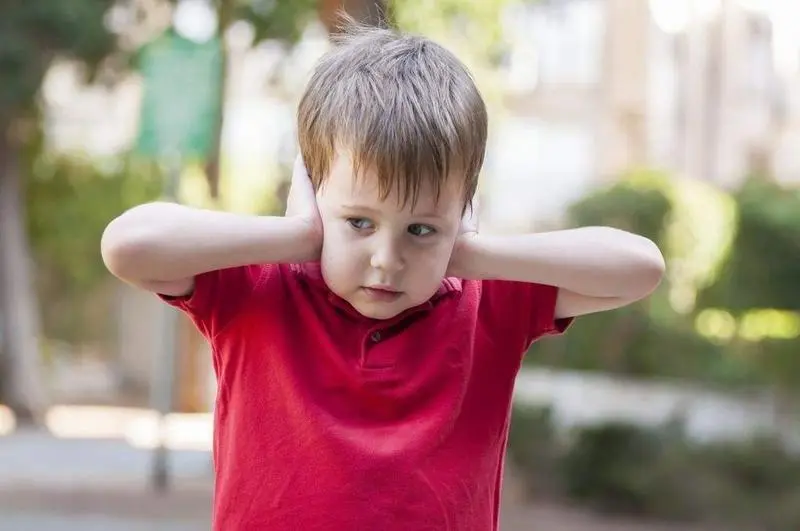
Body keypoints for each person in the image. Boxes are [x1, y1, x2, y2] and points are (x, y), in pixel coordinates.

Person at [101, 20, 664, 531]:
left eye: (420, 229)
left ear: (461, 218)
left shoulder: (488, 304)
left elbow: (639, 269)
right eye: (359, 222)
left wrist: (467, 255)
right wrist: (299, 235)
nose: (386, 259)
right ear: (316, 197)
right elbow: (129, 246)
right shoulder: (257, 290)